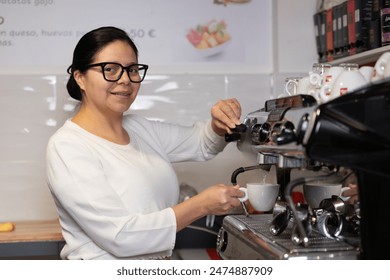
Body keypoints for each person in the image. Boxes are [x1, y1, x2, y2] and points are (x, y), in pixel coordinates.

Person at [46, 26, 245, 260]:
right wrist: (201, 205)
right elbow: (120, 236)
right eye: (110, 69)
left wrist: (218, 123)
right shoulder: (68, 146)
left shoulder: (140, 129)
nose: (125, 80)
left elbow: (202, 142)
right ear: (80, 78)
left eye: (132, 69)